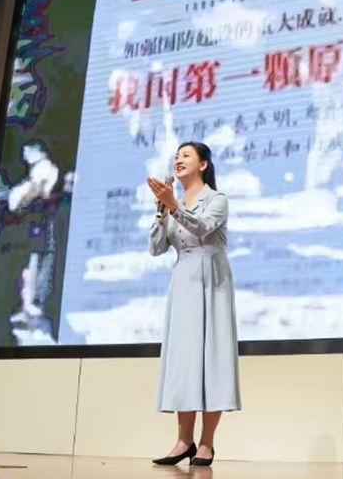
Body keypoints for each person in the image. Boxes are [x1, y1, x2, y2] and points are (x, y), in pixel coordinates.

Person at [146, 141, 241, 467]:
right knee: (184, 360)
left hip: (212, 281)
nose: (179, 160)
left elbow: (201, 229)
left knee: (213, 359)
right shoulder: (171, 204)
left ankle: (206, 443)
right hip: (184, 281)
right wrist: (162, 211)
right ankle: (183, 441)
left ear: (203, 164)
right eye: (176, 156)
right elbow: (156, 248)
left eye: (186, 155)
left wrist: (173, 205)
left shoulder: (217, 199)